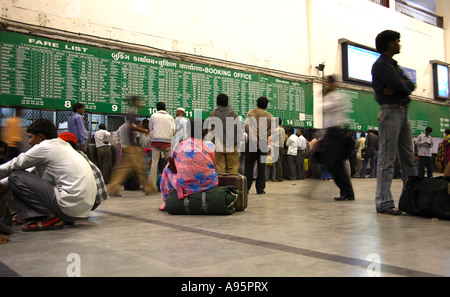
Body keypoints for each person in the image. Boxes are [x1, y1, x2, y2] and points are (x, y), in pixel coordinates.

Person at [0, 119, 97, 231]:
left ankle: (49, 217)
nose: (29, 142)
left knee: (15, 176)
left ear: (40, 136)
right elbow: (31, 171)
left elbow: (14, 164)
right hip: (81, 210)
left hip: (68, 206)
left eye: (30, 137)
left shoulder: (45, 147)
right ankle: (40, 216)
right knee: (17, 177)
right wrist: (2, 184)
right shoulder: (62, 146)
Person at [372, 30, 417, 215]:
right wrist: (401, 86)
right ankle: (384, 202)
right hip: (390, 112)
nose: (400, 44)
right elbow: (402, 86)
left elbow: (409, 85)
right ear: (391, 44)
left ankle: (414, 199)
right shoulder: (381, 65)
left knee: (408, 158)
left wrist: (401, 86)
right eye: (398, 41)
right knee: (387, 159)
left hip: (403, 111)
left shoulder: (394, 66)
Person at [159, 119, 218, 211]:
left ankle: (166, 200)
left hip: (186, 185)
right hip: (209, 183)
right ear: (205, 132)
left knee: (167, 169)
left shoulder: (180, 145)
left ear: (187, 131)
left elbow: (172, 163)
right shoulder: (210, 145)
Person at [318, 75, 355, 201]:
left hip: (336, 133)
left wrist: (326, 96)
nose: (327, 85)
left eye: (328, 83)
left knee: (335, 163)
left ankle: (347, 192)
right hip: (330, 133)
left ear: (333, 83)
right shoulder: (331, 96)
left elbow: (326, 107)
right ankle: (346, 192)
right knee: (333, 164)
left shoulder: (336, 96)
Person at [107, 113, 152, 196]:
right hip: (133, 149)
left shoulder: (121, 127)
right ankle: (147, 187)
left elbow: (116, 136)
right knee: (140, 169)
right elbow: (137, 138)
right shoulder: (131, 126)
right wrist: (145, 131)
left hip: (124, 149)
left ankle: (113, 188)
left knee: (123, 170)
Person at [244, 96, 273, 194]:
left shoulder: (251, 113)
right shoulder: (270, 116)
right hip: (263, 142)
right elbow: (271, 130)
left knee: (249, 165)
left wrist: (254, 136)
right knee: (261, 166)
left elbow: (247, 126)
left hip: (252, 141)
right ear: (266, 105)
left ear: (257, 104)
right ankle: (260, 189)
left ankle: (246, 188)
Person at [208, 93, 243, 174]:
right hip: (232, 146)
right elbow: (240, 132)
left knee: (219, 169)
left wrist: (213, 142)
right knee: (233, 169)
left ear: (217, 102)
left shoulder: (213, 114)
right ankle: (232, 186)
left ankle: (222, 185)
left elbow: (210, 132)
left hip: (218, 145)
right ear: (227, 102)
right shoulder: (233, 114)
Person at [147, 102, 175, 190]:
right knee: (170, 164)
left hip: (156, 143)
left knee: (154, 163)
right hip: (167, 143)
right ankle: (171, 184)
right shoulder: (170, 117)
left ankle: (152, 186)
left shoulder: (153, 116)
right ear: (165, 109)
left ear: (156, 109)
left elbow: (150, 128)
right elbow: (174, 130)